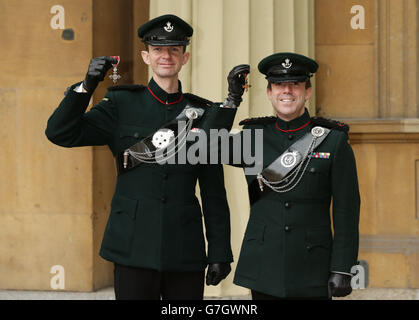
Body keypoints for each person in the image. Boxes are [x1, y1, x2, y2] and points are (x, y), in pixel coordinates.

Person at [45, 14, 241, 300]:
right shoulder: (121, 104)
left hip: (184, 250)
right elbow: (59, 132)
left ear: (185, 58)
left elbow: (213, 192)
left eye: (174, 49)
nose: (166, 56)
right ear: (146, 56)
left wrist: (220, 252)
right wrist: (86, 86)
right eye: (158, 49)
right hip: (132, 246)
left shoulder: (203, 114)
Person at [222, 52, 361, 299]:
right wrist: (231, 101)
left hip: (313, 268)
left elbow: (346, 211)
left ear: (307, 92)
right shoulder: (252, 139)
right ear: (269, 92)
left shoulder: (333, 141)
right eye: (278, 85)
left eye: (295, 84)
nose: (287, 91)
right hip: (264, 266)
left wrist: (343, 267)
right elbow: (203, 148)